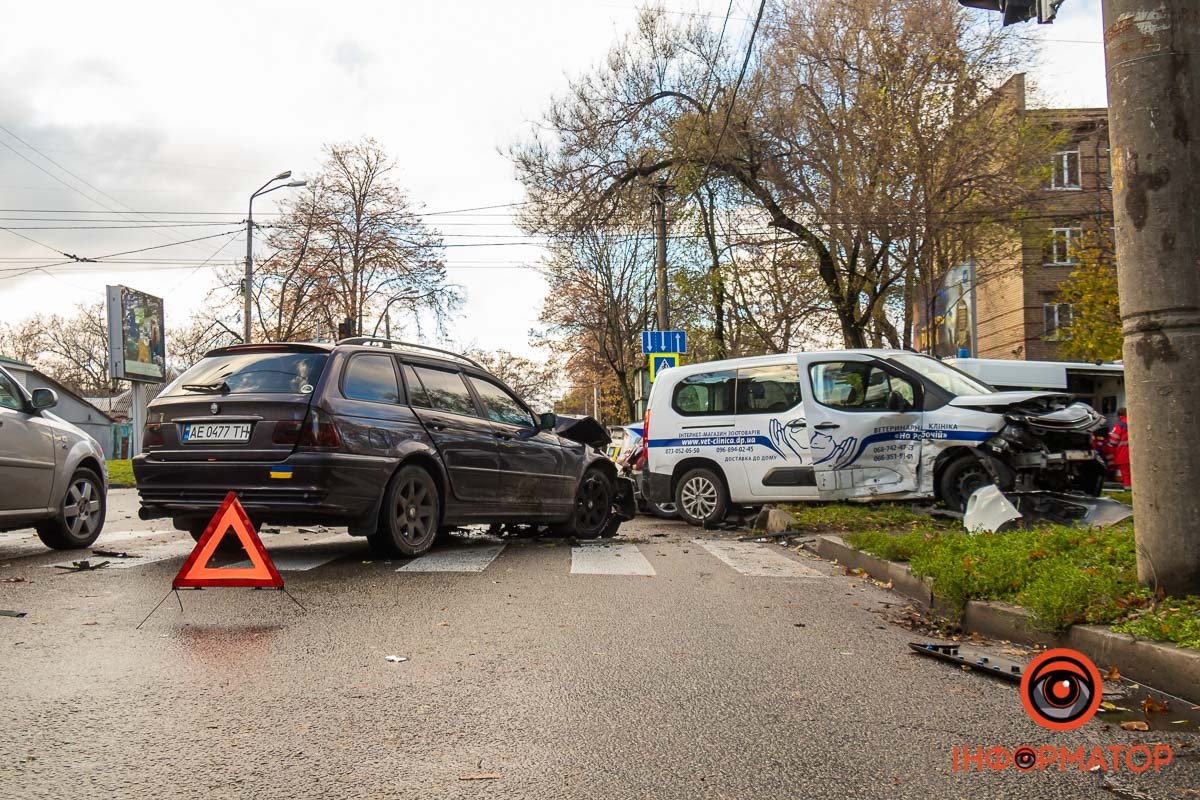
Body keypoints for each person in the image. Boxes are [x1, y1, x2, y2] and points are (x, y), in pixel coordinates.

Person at [1107, 407, 1132, 490]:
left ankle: (1128, 489)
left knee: (1126, 473)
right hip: (1134, 453)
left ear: (1119, 415)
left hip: (1124, 453)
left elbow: (1113, 441)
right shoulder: (1133, 422)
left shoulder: (1120, 424)